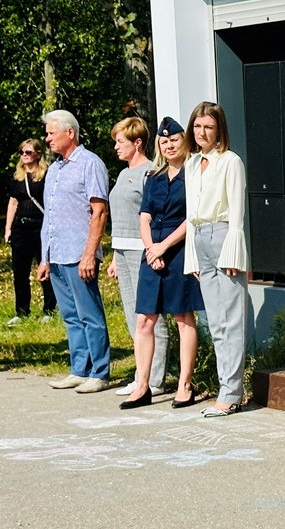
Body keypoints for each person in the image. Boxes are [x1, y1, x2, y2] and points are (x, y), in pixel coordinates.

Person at [121, 117, 204, 410]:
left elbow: (191, 217)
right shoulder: (154, 177)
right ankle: (142, 385)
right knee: (145, 320)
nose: (169, 146)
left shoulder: (194, 174)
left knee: (183, 318)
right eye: (164, 141)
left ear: (185, 141)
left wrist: (163, 247)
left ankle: (184, 385)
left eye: (174, 140)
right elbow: (144, 215)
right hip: (152, 253)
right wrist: (150, 249)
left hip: (178, 251)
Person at [37, 110, 112, 394]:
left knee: (90, 314)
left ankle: (100, 371)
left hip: (80, 254)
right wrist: (44, 257)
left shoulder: (90, 164)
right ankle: (79, 369)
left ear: (70, 133)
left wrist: (89, 254)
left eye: (51, 133)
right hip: (57, 254)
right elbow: (50, 216)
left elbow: (99, 212)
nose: (47, 139)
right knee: (70, 315)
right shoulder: (55, 169)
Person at [183, 102, 248, 417]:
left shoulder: (230, 161)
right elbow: (190, 213)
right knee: (215, 321)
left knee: (231, 318)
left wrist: (233, 249)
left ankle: (231, 392)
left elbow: (236, 210)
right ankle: (227, 387)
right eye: (197, 126)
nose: (202, 132)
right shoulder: (192, 163)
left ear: (219, 129)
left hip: (223, 237)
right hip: (200, 238)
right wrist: (192, 256)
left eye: (208, 127)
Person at [107, 117, 169, 397]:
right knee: (134, 315)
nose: (116, 148)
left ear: (138, 143)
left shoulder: (150, 173)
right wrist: (112, 257)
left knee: (150, 314)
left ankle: (155, 378)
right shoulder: (122, 174)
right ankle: (140, 374)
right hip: (121, 249)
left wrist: (153, 249)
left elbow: (154, 214)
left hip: (142, 250)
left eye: (120, 142)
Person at [4, 139, 57, 326]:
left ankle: (49, 310)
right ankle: (21, 311)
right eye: (22, 152)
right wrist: (8, 228)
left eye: (28, 152)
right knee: (20, 271)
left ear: (38, 154)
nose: (24, 155)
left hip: (41, 227)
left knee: (45, 269)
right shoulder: (18, 176)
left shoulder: (46, 175)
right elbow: (13, 202)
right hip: (21, 228)